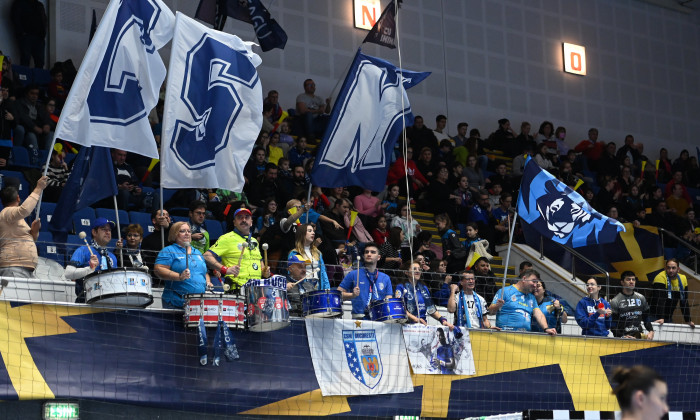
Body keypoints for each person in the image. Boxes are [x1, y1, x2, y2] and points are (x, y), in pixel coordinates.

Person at [204, 207, 270, 292]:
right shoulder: (227, 238)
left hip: (256, 291)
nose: (243, 220)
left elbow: (260, 262)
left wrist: (264, 271)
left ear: (251, 222)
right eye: (240, 217)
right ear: (234, 223)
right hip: (236, 290)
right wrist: (225, 269)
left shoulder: (254, 241)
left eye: (247, 217)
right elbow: (206, 256)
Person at [154, 221, 213, 309]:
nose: (187, 234)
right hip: (176, 302)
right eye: (182, 231)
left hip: (197, 303)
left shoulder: (197, 252)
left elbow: (204, 273)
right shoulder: (169, 250)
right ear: (174, 234)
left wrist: (208, 282)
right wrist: (179, 276)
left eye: (189, 231)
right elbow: (158, 269)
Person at [0, 176, 48, 278]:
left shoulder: (15, 219)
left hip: (23, 268)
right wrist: (38, 188)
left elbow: (29, 239)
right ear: (18, 198)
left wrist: (34, 231)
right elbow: (25, 210)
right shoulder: (7, 212)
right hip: (13, 268)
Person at [64, 218, 119, 303]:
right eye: (104, 229)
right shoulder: (83, 250)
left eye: (109, 230)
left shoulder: (112, 257)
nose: (108, 232)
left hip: (109, 302)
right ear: (94, 232)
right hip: (86, 301)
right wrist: (89, 269)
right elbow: (68, 273)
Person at [488, 269, 556, 335]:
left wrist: (546, 328)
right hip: (505, 335)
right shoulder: (505, 291)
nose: (535, 285)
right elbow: (490, 312)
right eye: (533, 281)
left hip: (524, 337)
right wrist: (497, 306)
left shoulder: (531, 297)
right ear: (524, 279)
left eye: (536, 282)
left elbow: (539, 314)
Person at [337, 243, 392, 319]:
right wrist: (352, 295)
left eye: (373, 252)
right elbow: (338, 294)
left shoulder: (385, 278)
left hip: (379, 318)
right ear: (363, 256)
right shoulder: (353, 274)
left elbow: (388, 299)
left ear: (378, 257)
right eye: (366, 252)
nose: (369, 254)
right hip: (359, 319)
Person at [395, 261, 454, 329]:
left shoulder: (423, 288)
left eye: (419, 269)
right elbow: (399, 308)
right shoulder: (401, 287)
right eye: (414, 269)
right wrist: (415, 319)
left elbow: (430, 308)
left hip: (422, 325)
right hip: (406, 326)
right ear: (406, 272)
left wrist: (442, 320)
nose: (417, 271)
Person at [287, 223, 330, 296]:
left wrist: (327, 289)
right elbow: (291, 275)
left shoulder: (317, 252)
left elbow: (323, 273)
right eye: (309, 231)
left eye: (313, 231)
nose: (313, 233)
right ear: (302, 234)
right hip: (303, 289)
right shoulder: (294, 253)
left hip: (317, 288)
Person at [610, 271, 655, 340]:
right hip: (623, 338)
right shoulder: (615, 301)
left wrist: (651, 331)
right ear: (622, 282)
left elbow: (646, 318)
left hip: (638, 336)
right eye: (628, 279)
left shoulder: (641, 298)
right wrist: (622, 336)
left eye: (633, 279)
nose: (631, 282)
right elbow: (613, 324)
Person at [651, 258, 694, 328]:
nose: (671, 270)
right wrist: (661, 317)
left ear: (678, 269)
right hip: (654, 315)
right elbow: (660, 299)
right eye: (668, 268)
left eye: (673, 268)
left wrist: (688, 320)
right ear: (665, 268)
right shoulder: (660, 277)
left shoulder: (683, 278)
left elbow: (684, 301)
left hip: (668, 316)